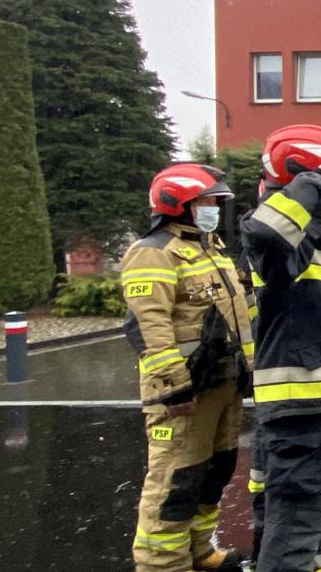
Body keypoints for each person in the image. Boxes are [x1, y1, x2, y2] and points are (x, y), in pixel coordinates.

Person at [241, 125, 321, 572]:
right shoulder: (283, 232)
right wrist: (313, 180)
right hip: (300, 409)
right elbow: (267, 233)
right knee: (298, 527)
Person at [124, 163, 251, 572]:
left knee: (213, 475)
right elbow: (149, 326)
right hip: (185, 395)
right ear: (179, 204)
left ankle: (199, 551)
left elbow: (237, 315)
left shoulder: (208, 248)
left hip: (222, 386)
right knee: (174, 483)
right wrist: (174, 387)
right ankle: (162, 564)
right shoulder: (153, 251)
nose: (214, 207)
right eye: (207, 201)